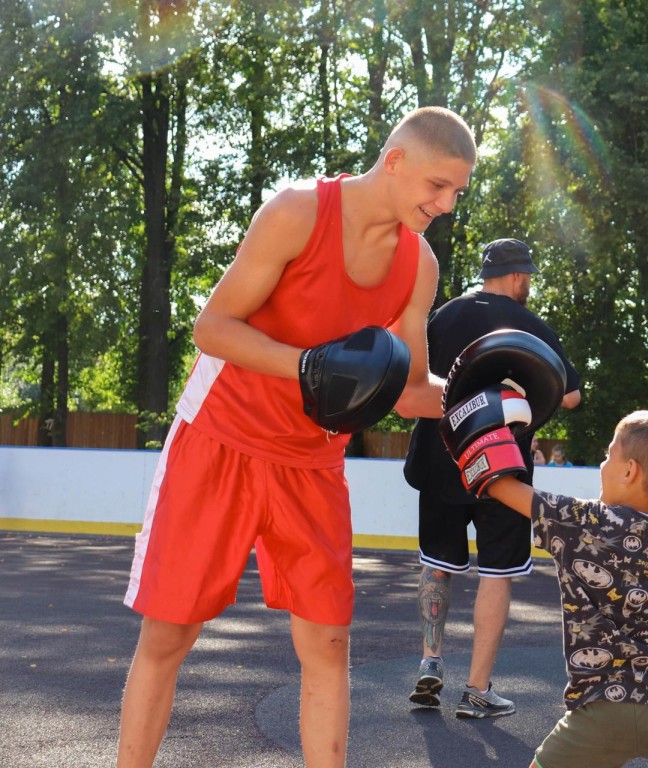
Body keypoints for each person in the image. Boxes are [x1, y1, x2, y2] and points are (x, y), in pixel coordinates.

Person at [116, 106, 477, 768]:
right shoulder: (298, 212)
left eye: (457, 192)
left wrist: (492, 397)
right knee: (170, 634)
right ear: (394, 161)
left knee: (330, 642)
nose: (446, 204)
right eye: (438, 185)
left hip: (311, 463)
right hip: (221, 439)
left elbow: (409, 386)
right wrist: (309, 366)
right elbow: (213, 328)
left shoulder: (417, 266)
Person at [463, 410, 648, 768]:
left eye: (608, 454)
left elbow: (496, 483)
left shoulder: (578, 521)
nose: (602, 464)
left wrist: (475, 427)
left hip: (599, 710)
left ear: (629, 470)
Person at [403, 237, 581, 717]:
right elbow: (569, 397)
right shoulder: (531, 326)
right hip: (501, 469)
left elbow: (410, 378)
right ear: (520, 277)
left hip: (441, 458)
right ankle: (478, 690)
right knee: (497, 574)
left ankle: (430, 662)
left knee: (436, 562)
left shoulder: (441, 317)